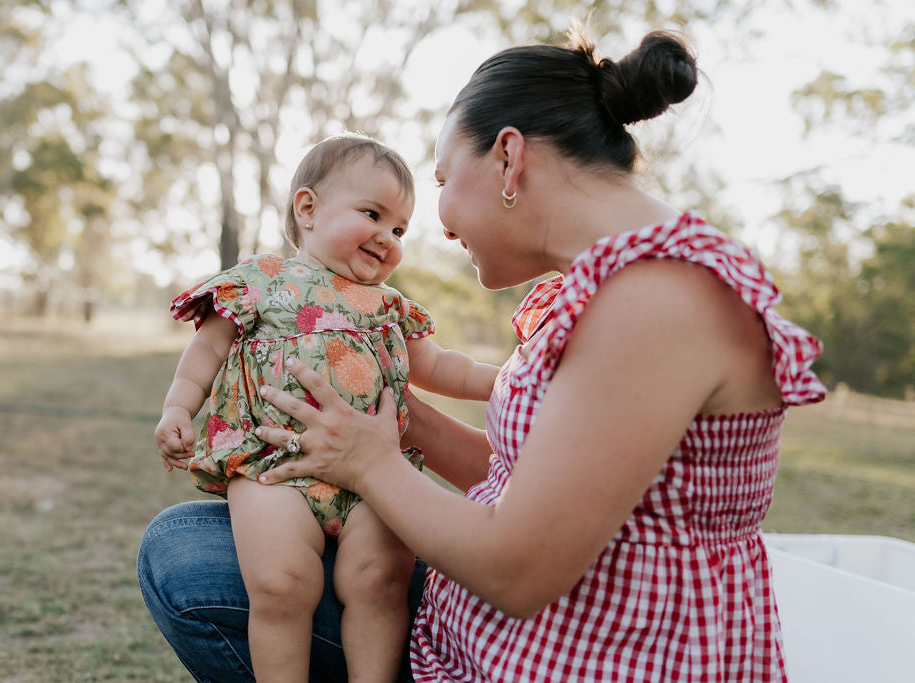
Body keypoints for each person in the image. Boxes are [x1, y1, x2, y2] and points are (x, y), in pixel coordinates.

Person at [139, 27, 826, 682]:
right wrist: (382, 414)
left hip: (574, 657)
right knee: (199, 542)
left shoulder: (661, 300)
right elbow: (527, 479)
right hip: (475, 632)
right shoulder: (606, 284)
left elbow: (518, 570)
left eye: (440, 183)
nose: (436, 224)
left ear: (509, 157)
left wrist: (370, 462)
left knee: (187, 560)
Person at [152, 133, 498, 682]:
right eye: (373, 214)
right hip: (274, 471)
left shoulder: (388, 306)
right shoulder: (260, 281)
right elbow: (207, 349)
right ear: (308, 208)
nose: (387, 237)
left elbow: (440, 366)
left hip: (372, 481)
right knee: (280, 584)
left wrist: (501, 382)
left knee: (381, 582)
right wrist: (177, 408)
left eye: (400, 229)